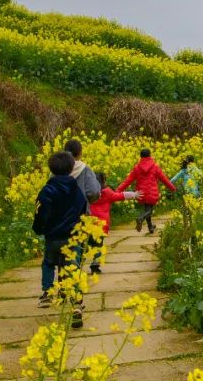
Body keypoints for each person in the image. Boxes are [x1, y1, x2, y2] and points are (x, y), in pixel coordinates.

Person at [32, 151, 88, 328]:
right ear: (72, 167)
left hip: (53, 237)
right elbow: (82, 209)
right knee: (72, 267)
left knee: (49, 263)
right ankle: (76, 302)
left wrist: (39, 228)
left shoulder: (47, 190)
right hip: (72, 236)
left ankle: (47, 293)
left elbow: (41, 212)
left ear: (51, 169)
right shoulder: (76, 190)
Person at [87, 171, 141, 274]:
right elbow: (120, 196)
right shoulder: (107, 192)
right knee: (98, 246)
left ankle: (77, 263)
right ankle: (95, 267)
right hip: (101, 225)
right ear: (103, 181)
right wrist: (134, 195)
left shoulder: (88, 192)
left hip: (88, 223)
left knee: (87, 244)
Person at [117, 148, 176, 234]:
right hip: (152, 192)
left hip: (141, 193)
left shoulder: (137, 168)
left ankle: (150, 227)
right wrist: (172, 188)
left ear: (140, 156)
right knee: (149, 211)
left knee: (147, 209)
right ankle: (140, 218)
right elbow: (164, 179)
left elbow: (128, 180)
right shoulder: (155, 166)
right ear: (150, 155)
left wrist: (118, 190)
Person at [64, 138, 101, 266]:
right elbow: (94, 192)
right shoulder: (85, 169)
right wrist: (88, 201)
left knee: (62, 248)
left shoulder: (56, 167)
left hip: (59, 214)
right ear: (80, 153)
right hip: (79, 214)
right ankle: (74, 282)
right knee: (77, 245)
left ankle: (63, 281)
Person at [170, 155, 203, 229]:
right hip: (196, 193)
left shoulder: (183, 170)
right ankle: (195, 225)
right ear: (193, 161)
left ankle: (185, 225)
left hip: (187, 194)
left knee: (186, 209)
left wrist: (170, 186)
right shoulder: (196, 169)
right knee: (196, 208)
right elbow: (202, 176)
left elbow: (173, 180)